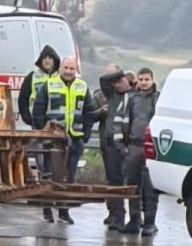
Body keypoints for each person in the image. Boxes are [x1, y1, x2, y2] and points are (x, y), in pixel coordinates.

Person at [33, 56, 96, 224]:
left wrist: (86, 134)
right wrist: (42, 131)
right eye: (66, 68)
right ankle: (47, 210)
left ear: (76, 70)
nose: (68, 71)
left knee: (69, 177)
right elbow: (38, 110)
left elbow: (89, 113)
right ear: (60, 68)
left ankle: (64, 211)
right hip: (52, 139)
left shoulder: (83, 87)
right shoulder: (49, 85)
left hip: (74, 138)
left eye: (72, 68)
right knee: (48, 175)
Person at [118, 67, 160, 236]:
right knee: (132, 185)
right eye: (141, 79)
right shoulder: (132, 99)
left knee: (150, 187)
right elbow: (123, 121)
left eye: (146, 79)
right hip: (133, 146)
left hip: (151, 148)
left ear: (152, 80)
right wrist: (123, 145)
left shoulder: (158, 99)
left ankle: (150, 223)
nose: (143, 82)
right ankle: (134, 221)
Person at [91, 65, 133, 230]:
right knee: (114, 181)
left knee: (130, 182)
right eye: (115, 81)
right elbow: (103, 80)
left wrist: (128, 78)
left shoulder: (134, 95)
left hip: (128, 144)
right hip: (110, 143)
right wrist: (120, 74)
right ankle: (117, 215)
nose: (118, 83)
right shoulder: (111, 95)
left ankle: (135, 218)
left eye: (120, 80)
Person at [18, 46, 60, 127]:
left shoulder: (61, 77)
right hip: (37, 122)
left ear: (55, 60)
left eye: (50, 58)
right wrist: (28, 118)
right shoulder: (32, 76)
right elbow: (23, 99)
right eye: (44, 58)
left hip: (57, 123)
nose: (47, 60)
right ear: (41, 60)